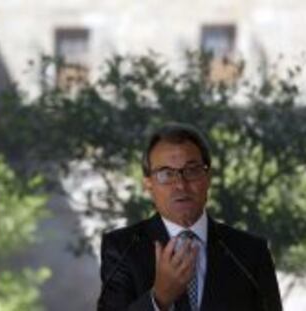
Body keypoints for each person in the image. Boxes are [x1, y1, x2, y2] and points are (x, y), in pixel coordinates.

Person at [97, 122, 282, 311]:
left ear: (208, 177)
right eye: (166, 174)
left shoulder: (250, 252)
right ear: (148, 184)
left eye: (192, 171)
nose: (180, 185)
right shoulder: (122, 248)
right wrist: (159, 298)